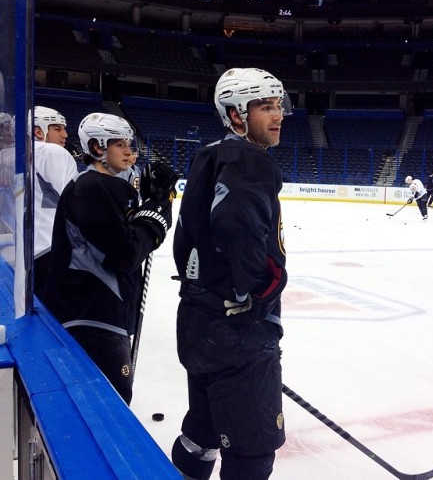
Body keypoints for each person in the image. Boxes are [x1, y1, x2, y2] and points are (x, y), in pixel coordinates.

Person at [171, 68, 292, 480]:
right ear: (236, 116)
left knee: (202, 433)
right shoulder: (251, 161)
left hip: (200, 320)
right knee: (252, 449)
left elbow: (184, 239)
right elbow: (235, 224)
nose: (277, 115)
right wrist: (258, 292)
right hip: (239, 334)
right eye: (264, 106)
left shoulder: (208, 156)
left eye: (278, 105)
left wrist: (203, 289)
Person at [43, 112, 177, 404]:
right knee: (109, 403)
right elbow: (125, 254)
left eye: (129, 143)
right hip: (93, 318)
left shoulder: (106, 187)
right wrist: (155, 217)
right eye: (119, 144)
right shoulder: (91, 188)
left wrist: (154, 206)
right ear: (96, 149)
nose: (129, 151)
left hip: (102, 314)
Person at [33, 106, 78, 299]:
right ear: (38, 130)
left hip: (23, 251)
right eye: (58, 129)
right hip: (50, 249)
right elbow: (76, 203)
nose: (65, 134)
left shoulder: (9, 153)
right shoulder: (53, 152)